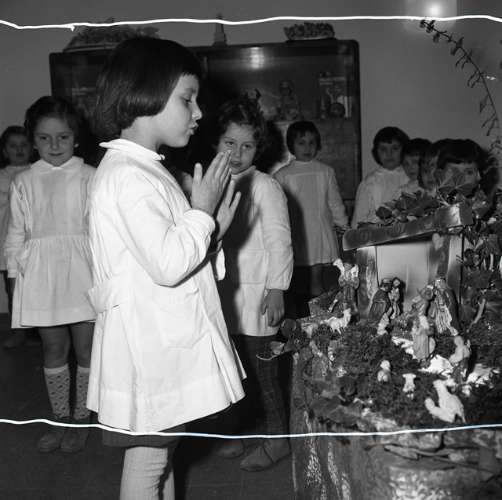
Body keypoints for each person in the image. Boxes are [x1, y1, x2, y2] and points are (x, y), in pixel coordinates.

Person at [87, 37, 245, 500]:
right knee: (150, 459)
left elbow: (172, 252)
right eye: (187, 99)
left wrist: (210, 232)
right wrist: (202, 212)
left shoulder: (145, 168)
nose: (198, 112)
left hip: (161, 336)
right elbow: (168, 264)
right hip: (150, 343)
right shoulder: (127, 175)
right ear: (147, 94)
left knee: (162, 455)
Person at [4, 97, 96, 453]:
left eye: (63, 137)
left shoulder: (90, 176)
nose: (54, 146)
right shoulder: (24, 181)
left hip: (83, 273)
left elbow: (102, 231)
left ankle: (82, 417)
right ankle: (60, 417)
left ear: (76, 138)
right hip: (42, 276)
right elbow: (15, 235)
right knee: (54, 347)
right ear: (33, 141)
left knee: (86, 348)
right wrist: (15, 280)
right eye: (44, 138)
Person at [213, 97, 293, 471]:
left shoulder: (265, 186)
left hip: (258, 294)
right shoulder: (212, 184)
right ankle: (238, 430)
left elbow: (279, 240)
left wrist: (277, 288)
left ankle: (278, 440)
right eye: (229, 143)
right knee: (231, 370)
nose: (237, 153)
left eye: (247, 146)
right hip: (223, 294)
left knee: (264, 375)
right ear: (216, 142)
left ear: (258, 150)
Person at [274, 120, 348, 316]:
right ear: (291, 146)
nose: (307, 148)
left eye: (312, 143)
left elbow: (334, 202)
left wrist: (343, 225)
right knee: (298, 281)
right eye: (301, 143)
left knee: (317, 278)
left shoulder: (325, 171)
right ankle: (302, 317)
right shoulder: (282, 175)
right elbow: (278, 209)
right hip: (296, 232)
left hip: (320, 230)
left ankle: (321, 317)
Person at [0, 126, 33, 348]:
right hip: (9, 243)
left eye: (24, 145)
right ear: (5, 151)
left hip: (33, 243)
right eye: (13, 146)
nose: (19, 150)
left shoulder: (36, 173)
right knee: (13, 290)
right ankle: (18, 331)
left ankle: (38, 333)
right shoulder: (2, 176)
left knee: (35, 289)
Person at [351, 126, 409, 227]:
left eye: (395, 148)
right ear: (376, 152)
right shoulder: (369, 182)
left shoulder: (410, 177)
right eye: (383, 149)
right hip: (376, 233)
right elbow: (358, 220)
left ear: (404, 150)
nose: (389, 154)